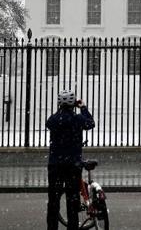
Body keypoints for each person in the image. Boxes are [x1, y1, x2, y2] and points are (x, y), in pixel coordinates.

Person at [46, 90, 95, 230]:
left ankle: (52, 227)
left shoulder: (54, 120)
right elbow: (91, 123)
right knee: (72, 200)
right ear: (73, 104)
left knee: (53, 201)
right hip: (73, 164)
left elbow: (49, 123)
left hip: (55, 164)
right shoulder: (78, 119)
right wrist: (83, 108)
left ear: (59, 104)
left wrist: (59, 111)